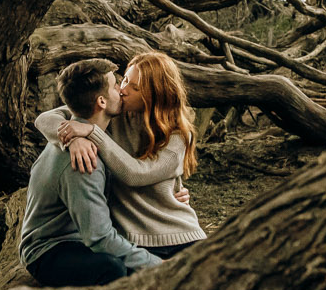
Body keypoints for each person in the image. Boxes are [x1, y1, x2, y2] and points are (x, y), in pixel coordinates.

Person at [34, 50, 205, 258]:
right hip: (132, 242)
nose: (123, 90)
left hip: (180, 235)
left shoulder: (178, 135)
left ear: (155, 94)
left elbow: (137, 174)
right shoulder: (112, 113)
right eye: (124, 80)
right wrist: (73, 139)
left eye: (135, 87)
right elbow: (44, 119)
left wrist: (91, 132)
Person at [18, 58, 164, 287]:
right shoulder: (84, 161)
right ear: (102, 102)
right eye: (116, 84)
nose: (121, 90)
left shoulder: (79, 131)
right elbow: (100, 239)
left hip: (76, 238)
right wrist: (163, 269)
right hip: (49, 251)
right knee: (113, 268)